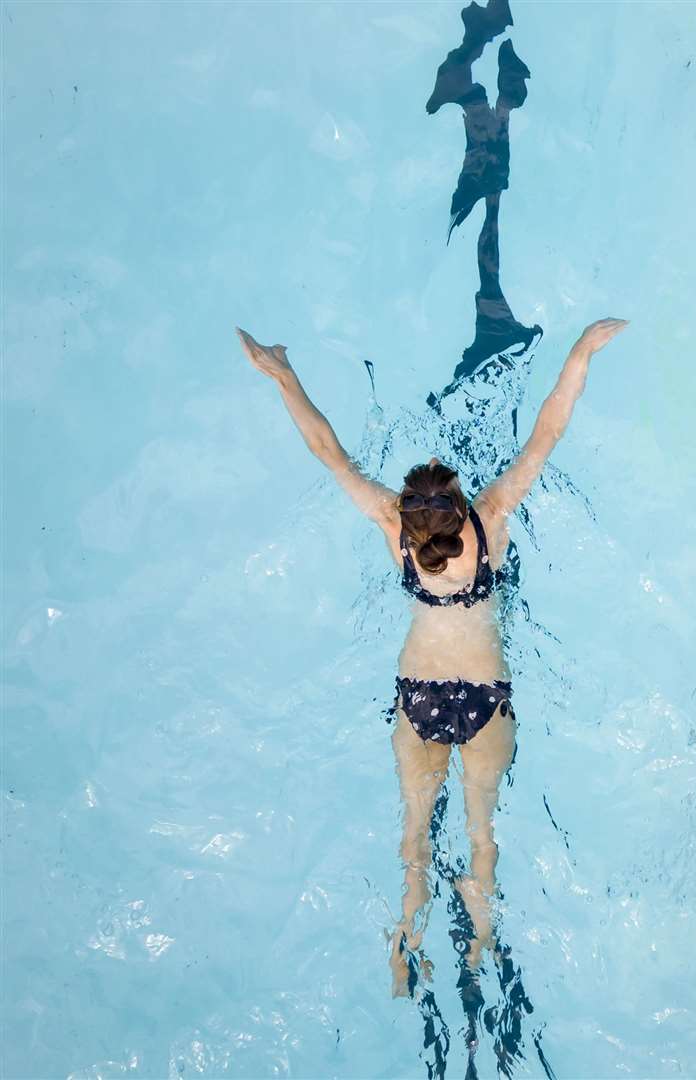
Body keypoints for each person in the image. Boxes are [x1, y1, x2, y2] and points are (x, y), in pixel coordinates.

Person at [235, 317, 628, 989]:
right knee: (481, 834)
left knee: (415, 844)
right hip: (484, 698)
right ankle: (478, 946)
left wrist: (283, 373)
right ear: (457, 505)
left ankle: (404, 947)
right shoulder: (494, 515)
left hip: (418, 698)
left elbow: (327, 450)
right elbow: (547, 432)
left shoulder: (393, 528)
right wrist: (581, 351)